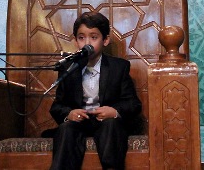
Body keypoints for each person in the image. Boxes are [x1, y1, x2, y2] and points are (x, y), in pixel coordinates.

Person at [49, 11, 142, 170]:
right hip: (79, 123)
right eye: (81, 37)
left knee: (111, 125)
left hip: (106, 123)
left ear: (105, 40)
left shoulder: (119, 67)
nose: (87, 43)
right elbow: (57, 106)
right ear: (75, 40)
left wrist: (114, 111)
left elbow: (133, 104)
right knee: (66, 129)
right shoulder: (68, 68)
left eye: (94, 37)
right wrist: (69, 114)